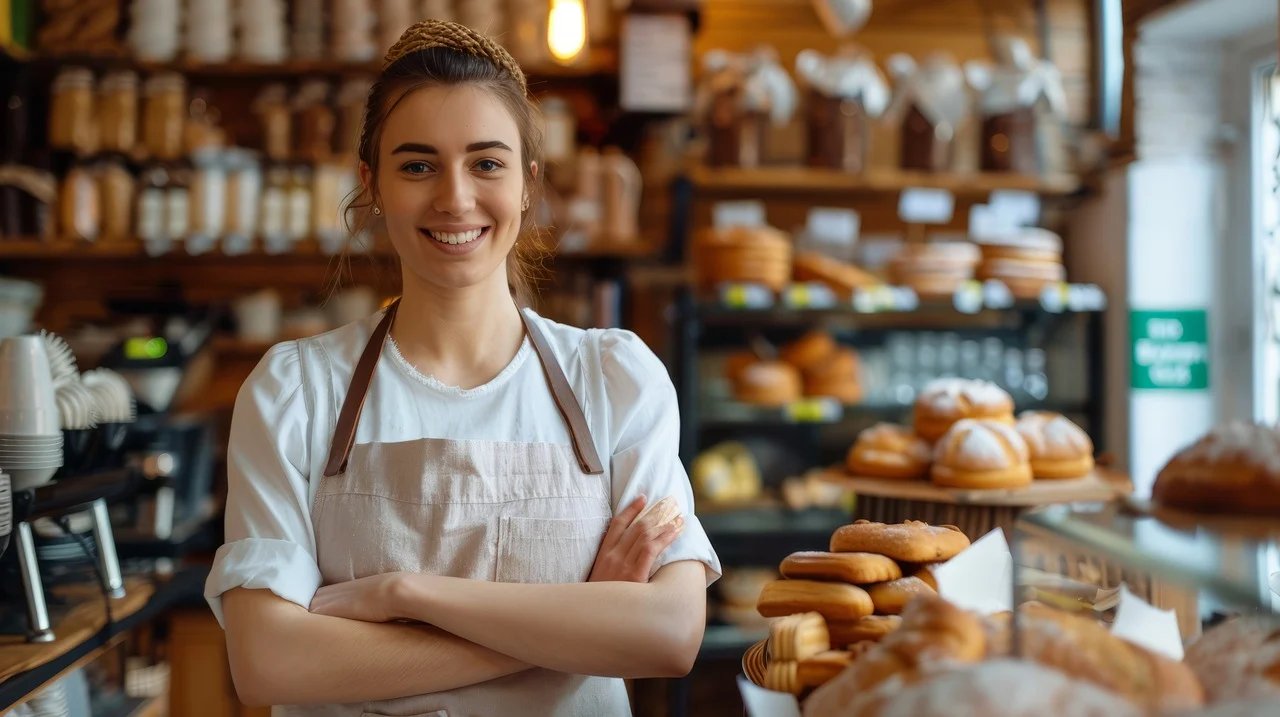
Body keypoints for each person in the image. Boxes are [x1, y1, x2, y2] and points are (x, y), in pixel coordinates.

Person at [202, 19, 722, 717]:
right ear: (373, 183)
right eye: (417, 165)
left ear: (529, 183)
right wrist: (581, 622)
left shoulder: (615, 380)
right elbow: (268, 663)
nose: (454, 197)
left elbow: (668, 633)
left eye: (486, 163)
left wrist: (404, 595)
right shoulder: (297, 390)